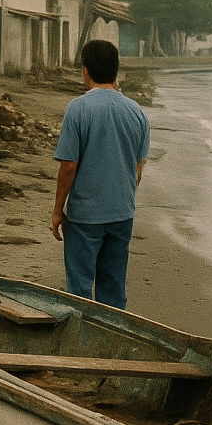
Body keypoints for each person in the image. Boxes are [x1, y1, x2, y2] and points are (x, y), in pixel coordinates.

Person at [50, 39, 151, 309]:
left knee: (80, 287)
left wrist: (58, 210)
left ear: (85, 69)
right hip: (122, 213)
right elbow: (138, 167)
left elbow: (69, 166)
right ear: (116, 70)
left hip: (86, 215)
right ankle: (112, 339)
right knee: (114, 287)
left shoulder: (78, 109)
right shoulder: (136, 112)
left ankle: (82, 340)